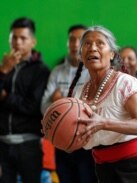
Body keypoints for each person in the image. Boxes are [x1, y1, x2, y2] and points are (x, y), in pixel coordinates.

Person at [69, 25, 137, 183]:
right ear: (81, 56)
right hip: (104, 167)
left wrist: (103, 123)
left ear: (112, 54)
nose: (92, 48)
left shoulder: (125, 83)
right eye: (87, 44)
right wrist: (58, 132)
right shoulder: (79, 93)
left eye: (100, 43)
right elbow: (78, 137)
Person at [41, 24, 96, 183]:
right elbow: (44, 107)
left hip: (86, 143)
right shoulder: (56, 72)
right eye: (71, 39)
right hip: (61, 142)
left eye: (80, 40)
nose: (74, 44)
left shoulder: (94, 71)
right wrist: (76, 104)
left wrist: (60, 101)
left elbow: (94, 106)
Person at [0, 17, 50, 183]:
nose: (17, 42)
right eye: (14, 38)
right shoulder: (4, 66)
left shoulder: (41, 71)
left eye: (23, 38)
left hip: (28, 144)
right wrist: (3, 71)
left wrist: (5, 97)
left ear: (33, 42)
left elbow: (33, 106)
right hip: (3, 143)